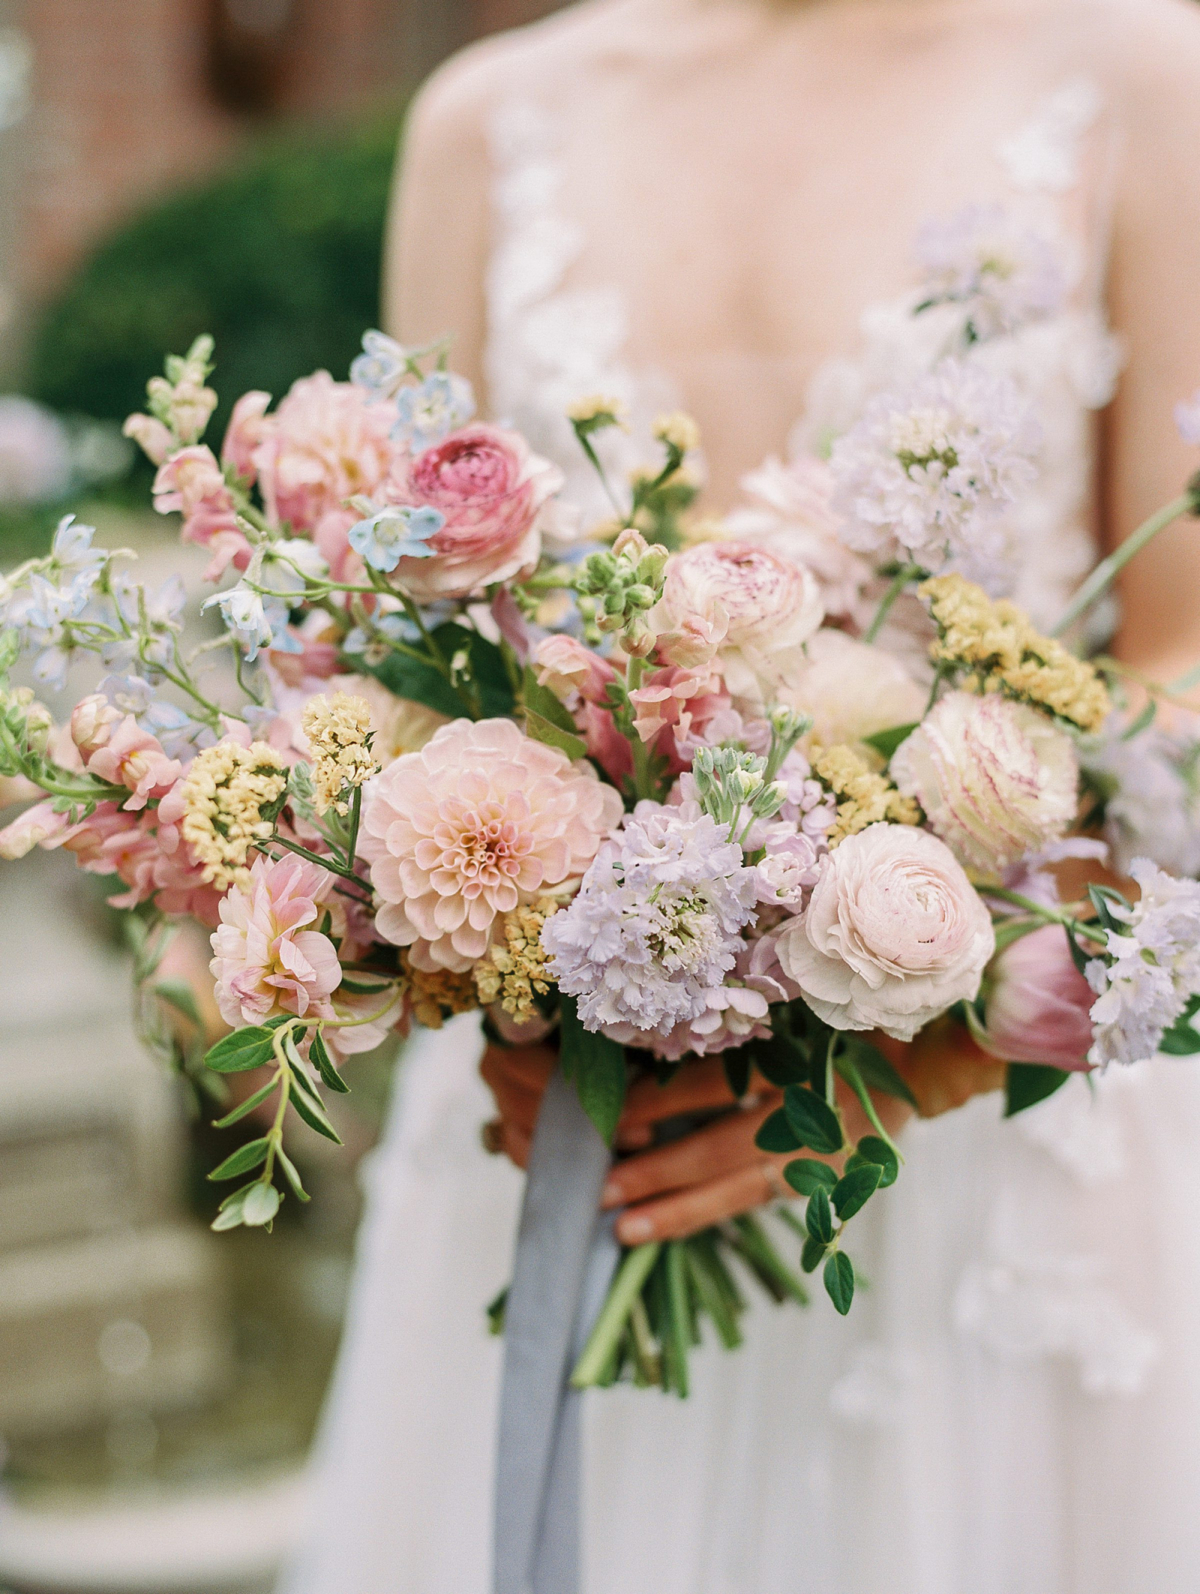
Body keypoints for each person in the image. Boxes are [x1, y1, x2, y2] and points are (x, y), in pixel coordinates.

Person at [282, 0, 1200, 1589]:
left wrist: (909, 1053)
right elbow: (407, 639)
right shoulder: (481, 125)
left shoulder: (1143, 77)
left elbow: (1185, 661)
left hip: (993, 1153)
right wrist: (471, 974)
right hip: (562, 1131)